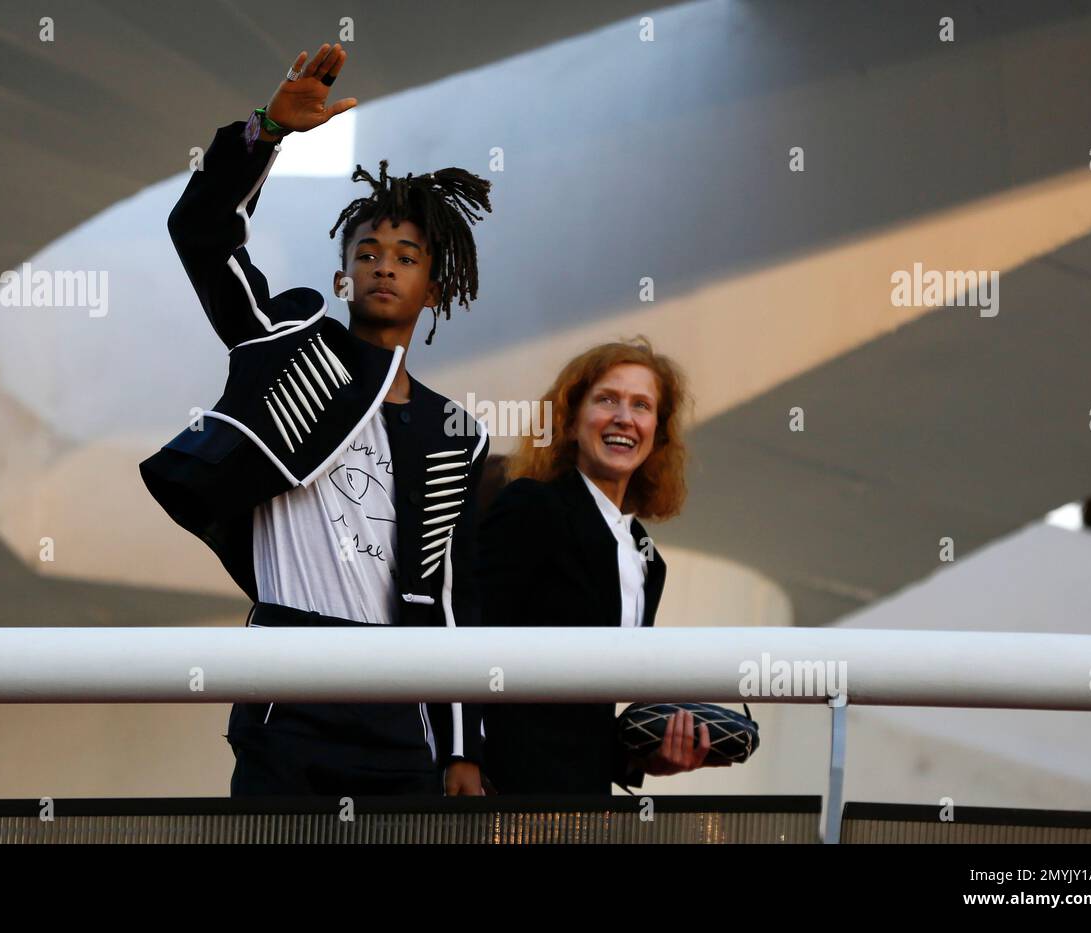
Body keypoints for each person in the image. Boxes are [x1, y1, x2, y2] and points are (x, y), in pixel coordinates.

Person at [139, 43, 494, 796]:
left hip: (401, 711)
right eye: (368, 251)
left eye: (407, 254)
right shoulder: (288, 344)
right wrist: (264, 132)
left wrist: (462, 745)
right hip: (286, 690)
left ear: (434, 287)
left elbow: (448, 600)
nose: (385, 264)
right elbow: (203, 234)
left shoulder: (452, 430)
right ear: (343, 275)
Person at [477, 339, 711, 794]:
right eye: (607, 399)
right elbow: (470, 637)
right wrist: (463, 759)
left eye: (641, 406)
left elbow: (584, 717)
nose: (624, 417)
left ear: (657, 436)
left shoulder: (646, 556)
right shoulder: (531, 507)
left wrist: (642, 757)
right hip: (504, 791)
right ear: (568, 423)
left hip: (582, 802)